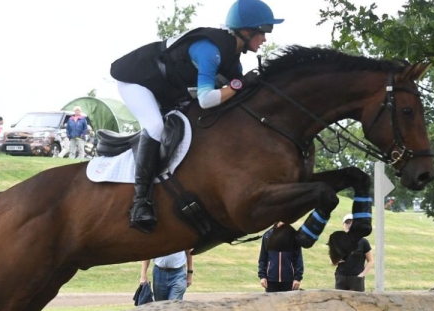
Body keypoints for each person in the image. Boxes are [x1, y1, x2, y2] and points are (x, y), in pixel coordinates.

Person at [109, 0, 282, 233]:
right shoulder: (210, 50)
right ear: (247, 30)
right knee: (155, 126)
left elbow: (232, 96)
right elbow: (206, 99)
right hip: (137, 81)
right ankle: (140, 203)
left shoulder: (232, 57)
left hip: (165, 88)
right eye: (264, 31)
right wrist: (239, 85)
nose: (265, 39)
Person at [258, 222, 304, 292]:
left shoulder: (293, 236)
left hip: (289, 280)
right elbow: (263, 258)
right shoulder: (268, 236)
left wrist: (297, 278)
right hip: (271, 280)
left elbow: (298, 259)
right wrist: (262, 276)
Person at [333, 214, 372, 292]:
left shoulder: (363, 242)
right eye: (347, 223)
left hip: (356, 278)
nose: (349, 225)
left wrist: (362, 274)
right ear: (343, 225)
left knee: (358, 302)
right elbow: (331, 262)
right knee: (340, 301)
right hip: (341, 277)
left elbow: (370, 261)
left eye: (352, 223)